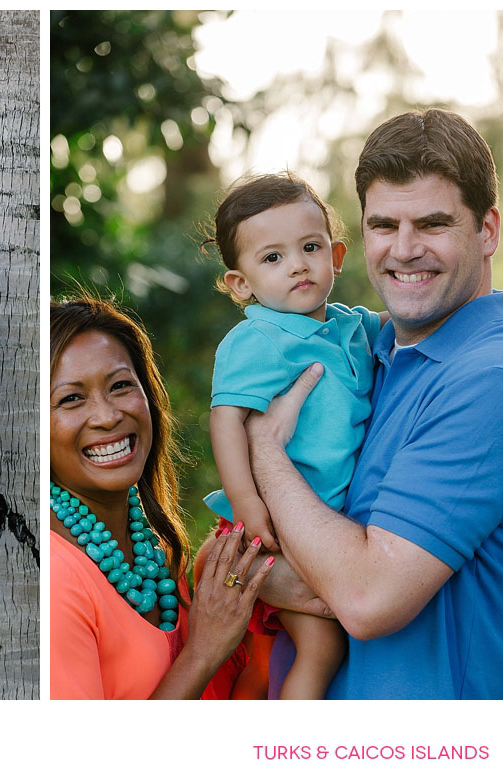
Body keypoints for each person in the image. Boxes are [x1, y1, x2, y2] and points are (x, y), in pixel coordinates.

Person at [245, 108, 503, 699]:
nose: (405, 249)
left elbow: (367, 599)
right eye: (384, 225)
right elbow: (233, 554)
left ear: (488, 230)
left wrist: (266, 454)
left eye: (433, 224)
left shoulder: (493, 378)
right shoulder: (367, 351)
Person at [202, 172, 388, 698]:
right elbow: (227, 420)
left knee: (300, 652)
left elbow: (409, 325)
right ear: (241, 284)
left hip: (327, 525)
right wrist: (245, 502)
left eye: (310, 247)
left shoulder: (355, 327)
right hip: (274, 529)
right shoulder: (257, 339)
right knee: (322, 647)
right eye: (273, 258)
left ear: (336, 254)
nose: (298, 265)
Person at [50, 296, 276, 699]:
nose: (106, 416)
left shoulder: (153, 553)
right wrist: (203, 652)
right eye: (71, 398)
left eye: (120, 386)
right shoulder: (56, 577)